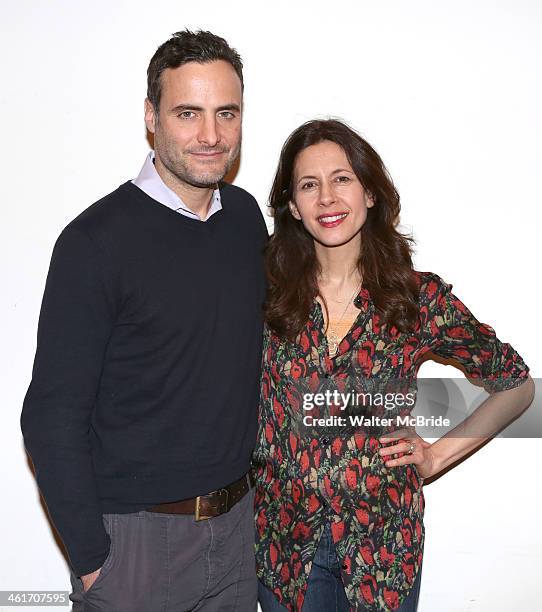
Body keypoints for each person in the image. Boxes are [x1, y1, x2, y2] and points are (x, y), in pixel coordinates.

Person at [20, 29, 267, 612]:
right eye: (189, 113)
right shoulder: (95, 242)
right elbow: (50, 415)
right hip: (134, 545)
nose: (211, 135)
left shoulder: (246, 221)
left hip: (237, 535)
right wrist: (92, 562)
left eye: (225, 113)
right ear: (152, 117)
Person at [252, 119, 534, 611]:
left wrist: (436, 457)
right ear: (293, 207)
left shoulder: (415, 297)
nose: (327, 198)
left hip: (382, 553)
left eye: (342, 178)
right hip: (285, 550)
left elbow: (516, 386)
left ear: (370, 193)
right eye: (309, 185)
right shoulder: (263, 294)